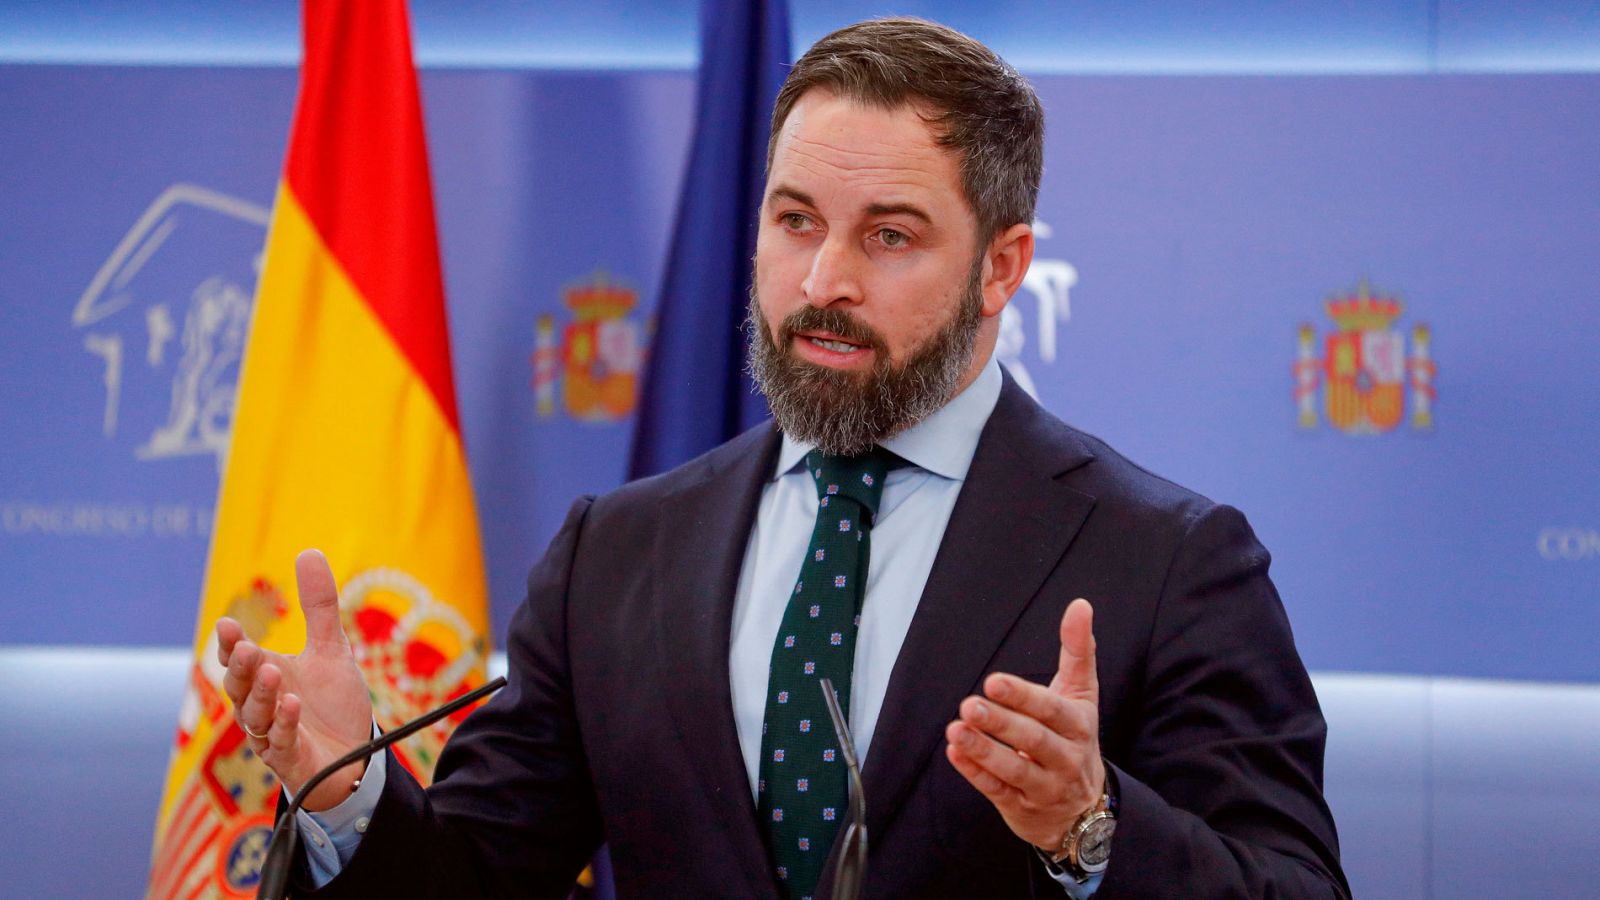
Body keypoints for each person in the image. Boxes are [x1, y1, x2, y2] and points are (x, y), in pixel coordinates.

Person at [218, 17, 1348, 899]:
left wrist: (1092, 827)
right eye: (795, 220)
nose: (821, 284)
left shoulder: (1167, 559)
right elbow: (477, 883)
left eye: (888, 236)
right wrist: (350, 789)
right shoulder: (620, 551)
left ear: (1002, 268)